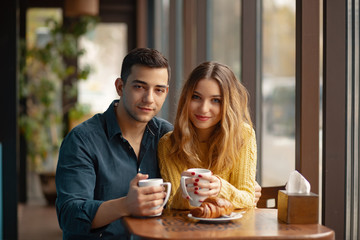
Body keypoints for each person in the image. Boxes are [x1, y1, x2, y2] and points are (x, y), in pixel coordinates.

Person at [55, 48, 173, 239]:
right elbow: (69, 216)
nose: (149, 99)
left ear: (165, 92)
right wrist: (126, 205)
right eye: (139, 87)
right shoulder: (81, 140)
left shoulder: (167, 136)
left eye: (158, 90)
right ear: (120, 87)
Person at [158, 61, 257, 210]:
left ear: (228, 104)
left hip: (236, 229)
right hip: (188, 231)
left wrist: (221, 188)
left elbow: (249, 198)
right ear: (186, 98)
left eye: (215, 100)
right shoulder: (168, 144)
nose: (204, 109)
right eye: (196, 97)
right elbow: (172, 205)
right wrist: (185, 192)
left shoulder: (244, 135)